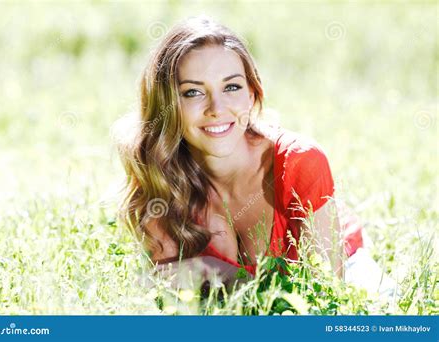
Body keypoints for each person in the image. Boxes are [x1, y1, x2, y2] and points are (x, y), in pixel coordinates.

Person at [117, 16, 365, 290]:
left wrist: (216, 271)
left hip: (352, 268)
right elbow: (162, 289)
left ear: (252, 94)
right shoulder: (163, 175)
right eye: (193, 92)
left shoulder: (301, 161)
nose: (217, 108)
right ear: (167, 104)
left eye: (231, 87)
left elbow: (326, 294)